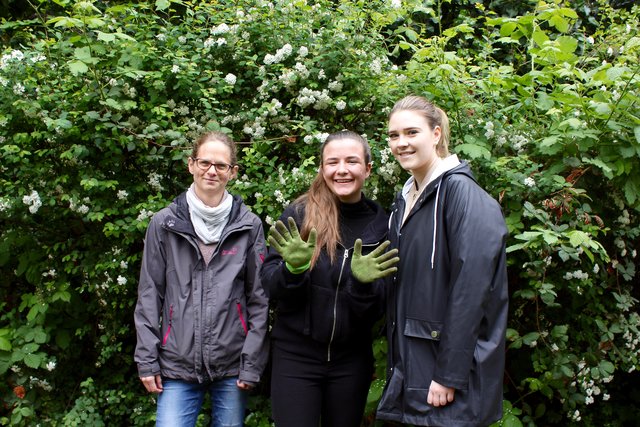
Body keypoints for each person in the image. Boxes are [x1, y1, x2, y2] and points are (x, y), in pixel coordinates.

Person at [376, 95, 509, 426]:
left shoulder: (463, 195)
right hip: (413, 369)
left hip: (446, 377)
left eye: (411, 133)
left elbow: (472, 290)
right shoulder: (405, 201)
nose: (401, 143)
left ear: (436, 134)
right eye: (394, 136)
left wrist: (449, 374)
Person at [261, 130, 399, 427]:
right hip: (296, 356)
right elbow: (270, 287)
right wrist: (292, 271)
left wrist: (362, 285)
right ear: (322, 169)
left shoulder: (383, 226)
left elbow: (380, 308)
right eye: (332, 162)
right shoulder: (300, 214)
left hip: (351, 360)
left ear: (368, 168)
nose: (342, 170)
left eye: (352, 161)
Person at [134, 131, 269, 427]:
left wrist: (251, 364)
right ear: (191, 164)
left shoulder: (249, 226)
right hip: (176, 364)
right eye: (204, 162)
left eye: (221, 166)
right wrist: (147, 359)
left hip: (232, 365)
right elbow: (149, 295)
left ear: (232, 172)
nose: (211, 171)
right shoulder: (164, 223)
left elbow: (259, 299)